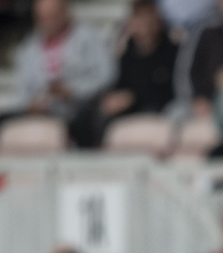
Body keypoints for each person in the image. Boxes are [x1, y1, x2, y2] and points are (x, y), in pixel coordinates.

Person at [69, 0, 179, 148]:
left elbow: (171, 91)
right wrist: (114, 98)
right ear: (131, 23)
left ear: (158, 21)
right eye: (139, 19)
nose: (143, 25)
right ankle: (87, 159)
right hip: (127, 109)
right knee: (89, 113)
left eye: (148, 19)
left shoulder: (172, 52)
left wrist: (133, 98)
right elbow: (119, 85)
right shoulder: (127, 54)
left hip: (155, 108)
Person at [6, 0, 112, 126]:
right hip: (42, 111)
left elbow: (106, 76)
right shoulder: (29, 48)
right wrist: (31, 104)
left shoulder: (90, 38)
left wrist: (72, 91)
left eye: (51, 17)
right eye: (41, 18)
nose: (46, 23)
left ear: (65, 12)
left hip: (80, 110)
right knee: (4, 120)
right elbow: (21, 89)